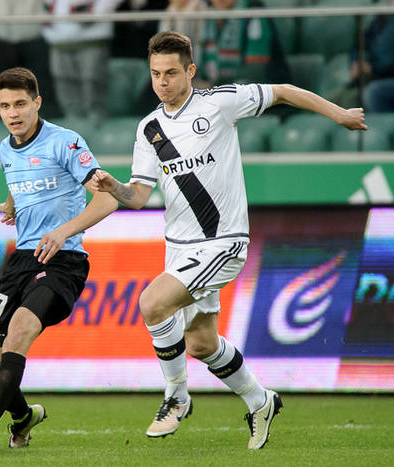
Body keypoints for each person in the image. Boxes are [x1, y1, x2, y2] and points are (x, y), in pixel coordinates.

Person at [41, 31, 366, 449]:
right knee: (201, 343)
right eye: (155, 74)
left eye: (171, 73)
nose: (162, 82)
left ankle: (176, 397)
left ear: (190, 71)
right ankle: (260, 400)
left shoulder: (219, 103)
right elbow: (138, 196)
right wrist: (114, 187)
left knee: (151, 303)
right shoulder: (149, 128)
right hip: (179, 247)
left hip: (223, 241)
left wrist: (339, 114)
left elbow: (283, 91)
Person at [0, 67, 118, 448]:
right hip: (21, 261)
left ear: (37, 102)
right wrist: (12, 202)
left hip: (62, 260)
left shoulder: (66, 142)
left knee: (20, 330)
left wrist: (62, 232)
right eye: (5, 106)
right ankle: (24, 417)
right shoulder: (5, 148)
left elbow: (107, 199)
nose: (13, 113)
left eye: (20, 103)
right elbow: (21, 181)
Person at [197, 0, 289, 88]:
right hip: (218, 91)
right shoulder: (207, 16)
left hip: (258, 92)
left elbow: (255, 73)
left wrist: (213, 87)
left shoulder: (253, 14)